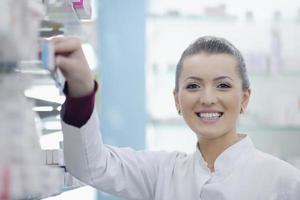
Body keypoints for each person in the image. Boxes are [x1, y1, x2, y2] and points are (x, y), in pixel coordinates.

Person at [53, 36, 300, 200]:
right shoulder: (162, 172)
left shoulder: (285, 181)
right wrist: (81, 90)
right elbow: (91, 166)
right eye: (193, 86)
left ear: (244, 98)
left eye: (223, 85)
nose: (207, 98)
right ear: (176, 100)